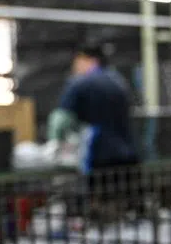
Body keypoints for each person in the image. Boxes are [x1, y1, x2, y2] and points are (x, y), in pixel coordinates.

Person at [48, 39, 139, 173]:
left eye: (78, 61)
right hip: (127, 153)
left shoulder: (80, 83)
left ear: (88, 60)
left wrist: (53, 146)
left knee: (99, 191)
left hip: (99, 155)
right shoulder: (118, 80)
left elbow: (60, 121)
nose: (75, 66)